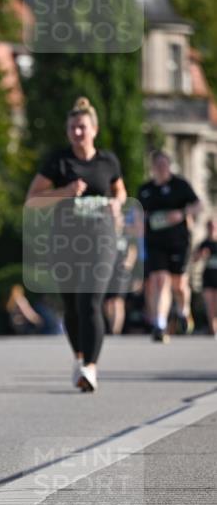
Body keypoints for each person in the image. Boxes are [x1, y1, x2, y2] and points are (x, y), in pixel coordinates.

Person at [25, 97, 127, 392]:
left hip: (101, 239)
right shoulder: (58, 161)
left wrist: (118, 204)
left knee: (90, 301)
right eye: (72, 128)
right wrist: (66, 191)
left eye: (82, 127)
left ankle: (90, 367)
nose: (77, 133)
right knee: (71, 305)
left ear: (94, 129)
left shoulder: (108, 161)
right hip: (66, 240)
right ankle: (79, 357)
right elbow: (33, 201)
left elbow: (120, 191)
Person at [137, 150, 202, 342]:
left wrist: (181, 214)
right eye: (158, 166)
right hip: (155, 242)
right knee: (159, 280)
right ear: (152, 168)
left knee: (179, 284)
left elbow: (199, 205)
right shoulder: (145, 189)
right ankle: (160, 324)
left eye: (165, 165)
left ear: (169, 166)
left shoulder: (180, 185)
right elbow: (138, 214)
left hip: (179, 242)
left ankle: (184, 310)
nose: (162, 169)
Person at [192, 218, 217, 336]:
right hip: (208, 278)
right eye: (210, 226)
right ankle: (213, 331)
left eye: (214, 226)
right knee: (210, 306)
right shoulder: (204, 244)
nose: (212, 229)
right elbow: (194, 259)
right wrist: (201, 255)